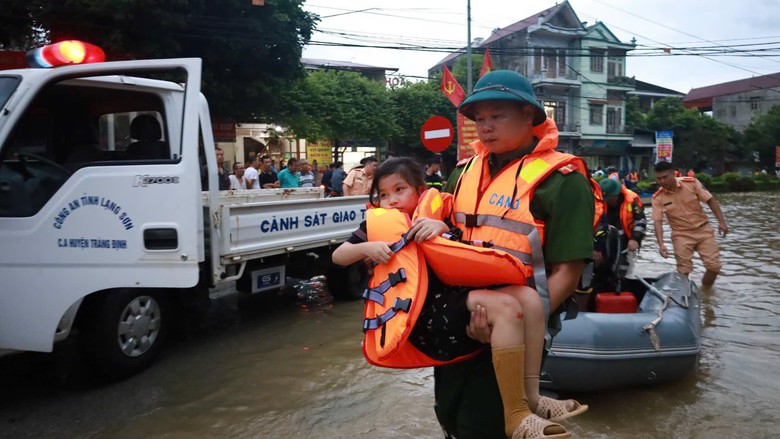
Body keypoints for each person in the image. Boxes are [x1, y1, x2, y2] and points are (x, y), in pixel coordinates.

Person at [332, 157, 571, 439]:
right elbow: (338, 256)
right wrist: (367, 248)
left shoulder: (438, 218)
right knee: (506, 306)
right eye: (383, 195)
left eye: (400, 190)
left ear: (421, 191)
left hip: (453, 299)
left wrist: (442, 229)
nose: (391, 200)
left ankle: (531, 396)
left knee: (529, 298)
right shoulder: (373, 227)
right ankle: (515, 414)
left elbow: (457, 249)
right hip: (424, 316)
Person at [433, 70, 593, 438]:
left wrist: (509, 322)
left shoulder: (563, 181)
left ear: (528, 115)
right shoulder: (461, 173)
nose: (485, 127)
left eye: (497, 115)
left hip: (516, 330)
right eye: (479, 119)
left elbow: (568, 272)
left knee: (488, 425)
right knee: (450, 414)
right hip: (460, 315)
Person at [652, 161, 728, 287]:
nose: (661, 181)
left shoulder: (691, 183)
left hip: (703, 230)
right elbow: (657, 221)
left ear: (673, 174)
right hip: (681, 234)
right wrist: (661, 244)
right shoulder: (658, 198)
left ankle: (706, 292)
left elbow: (710, 200)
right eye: (658, 178)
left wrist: (722, 222)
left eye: (665, 177)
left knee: (714, 267)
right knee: (683, 271)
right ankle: (684, 298)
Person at [598, 178, 646, 279]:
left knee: (624, 267)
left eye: (611, 198)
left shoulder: (632, 200)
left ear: (617, 194)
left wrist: (635, 239)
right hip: (607, 239)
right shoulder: (599, 202)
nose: (609, 202)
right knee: (603, 267)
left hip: (627, 240)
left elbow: (640, 221)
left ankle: (622, 282)